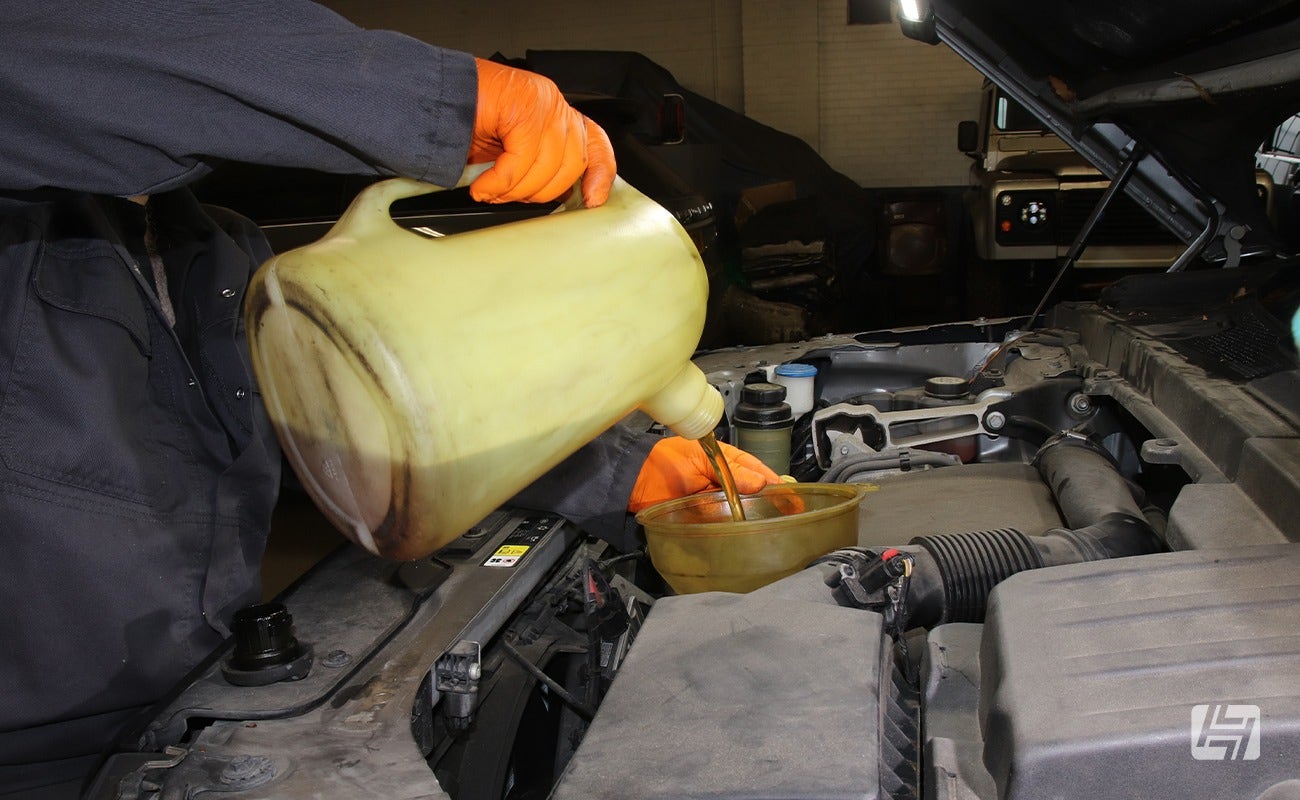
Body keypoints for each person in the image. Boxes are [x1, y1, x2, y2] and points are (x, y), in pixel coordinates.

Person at [0, 2, 779, 796]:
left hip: (196, 700)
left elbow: (367, 418)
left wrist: (626, 471)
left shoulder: (209, 247)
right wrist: (440, 99)